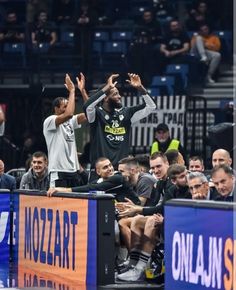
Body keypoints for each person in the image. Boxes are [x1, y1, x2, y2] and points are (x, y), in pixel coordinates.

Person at [78, 73, 156, 177]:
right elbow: (87, 106)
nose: (119, 96)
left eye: (118, 93)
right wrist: (107, 88)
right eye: (115, 94)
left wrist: (140, 88)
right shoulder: (97, 115)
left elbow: (151, 106)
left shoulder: (126, 113)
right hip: (99, 173)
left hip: (120, 173)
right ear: (105, 98)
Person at [43, 74, 87, 187]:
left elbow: (89, 113)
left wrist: (82, 91)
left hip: (73, 171)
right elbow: (69, 114)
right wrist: (72, 91)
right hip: (58, 170)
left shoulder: (70, 121)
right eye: (65, 106)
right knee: (58, 203)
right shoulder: (50, 121)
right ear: (56, 109)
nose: (68, 108)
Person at [47, 157, 140, 204]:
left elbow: (94, 187)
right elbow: (88, 188)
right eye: (105, 167)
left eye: (110, 165)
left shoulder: (118, 177)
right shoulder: (97, 181)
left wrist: (63, 190)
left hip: (135, 209)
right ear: (98, 171)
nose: (110, 169)